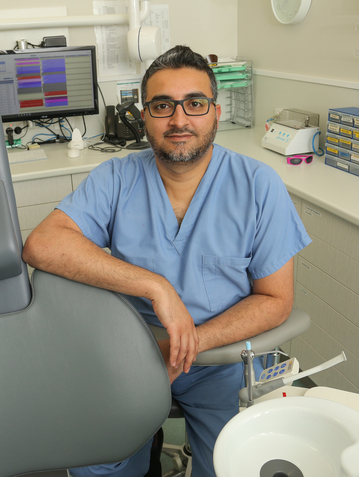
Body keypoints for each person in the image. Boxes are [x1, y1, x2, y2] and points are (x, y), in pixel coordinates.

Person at [22, 45, 311, 477]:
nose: (179, 120)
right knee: (100, 467)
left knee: (232, 465)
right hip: (127, 352)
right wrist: (156, 287)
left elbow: (276, 300)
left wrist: (188, 343)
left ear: (215, 112)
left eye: (194, 104)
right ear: (144, 116)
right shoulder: (117, 177)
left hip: (221, 357)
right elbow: (42, 245)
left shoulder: (258, 186)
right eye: (162, 106)